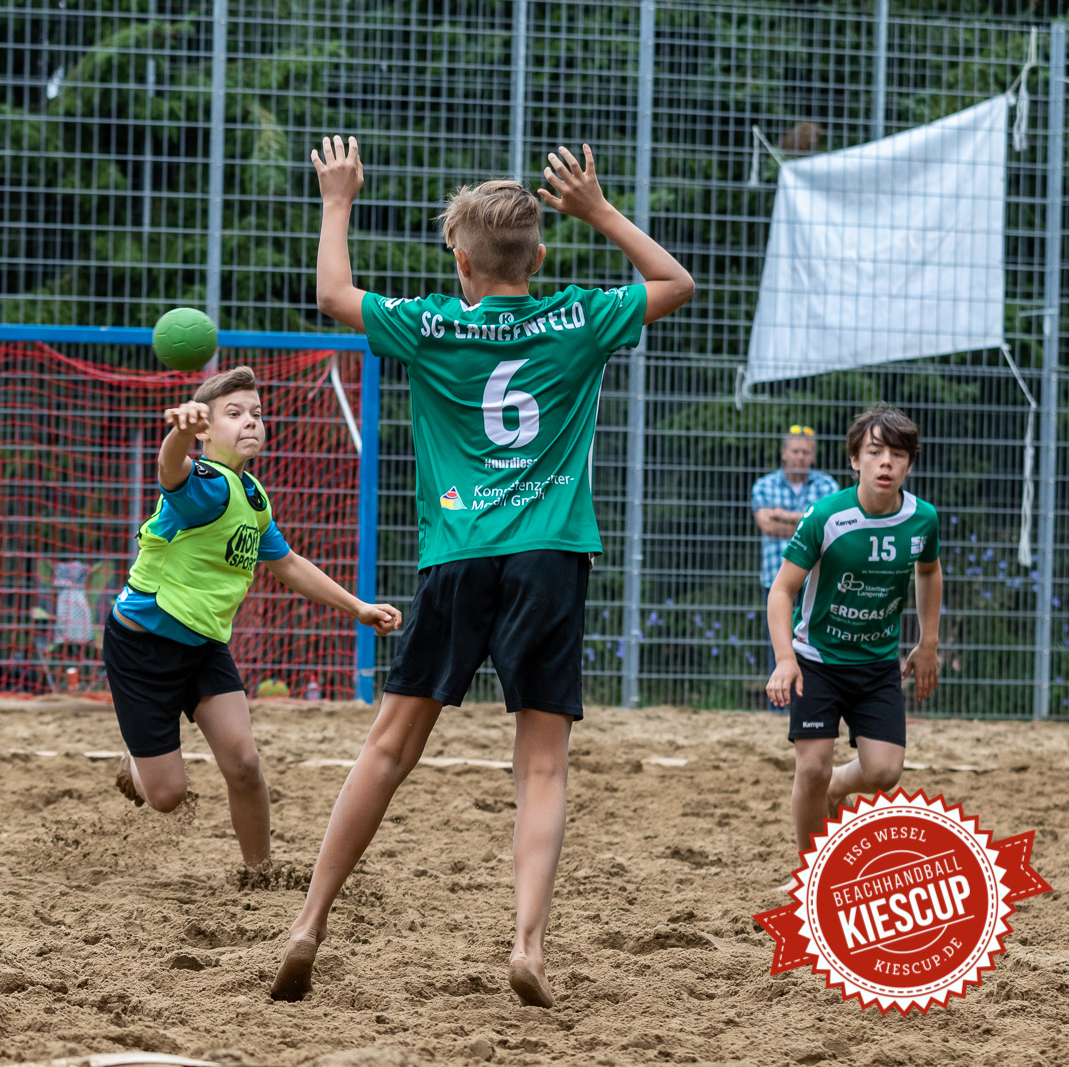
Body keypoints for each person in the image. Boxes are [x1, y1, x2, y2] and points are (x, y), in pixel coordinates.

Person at [270, 138, 694, 1007]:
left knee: (388, 747)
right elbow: (678, 284)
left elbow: (331, 294)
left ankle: (308, 921)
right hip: (548, 556)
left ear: (458, 258)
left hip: (458, 554)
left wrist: (339, 199)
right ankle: (528, 944)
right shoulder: (577, 316)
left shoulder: (431, 322)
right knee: (541, 765)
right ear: (539, 257)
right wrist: (601, 211)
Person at [104, 365, 401, 869]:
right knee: (168, 796)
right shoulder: (204, 483)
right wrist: (179, 433)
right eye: (234, 413)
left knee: (244, 763)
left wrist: (357, 606)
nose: (251, 423)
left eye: (257, 414)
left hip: (202, 647)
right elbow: (169, 470)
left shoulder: (253, 494)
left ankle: (258, 873)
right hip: (143, 645)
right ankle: (135, 761)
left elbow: (285, 562)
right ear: (205, 429)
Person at [766, 405, 942, 856]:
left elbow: (928, 573)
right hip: (817, 662)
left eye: (898, 454)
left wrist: (927, 643)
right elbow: (782, 591)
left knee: (883, 773)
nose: (886, 462)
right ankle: (814, 875)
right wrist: (786, 659)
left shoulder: (923, 519)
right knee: (811, 769)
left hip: (878, 663)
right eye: (875, 451)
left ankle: (836, 787)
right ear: (854, 459)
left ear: (909, 463)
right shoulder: (826, 516)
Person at [750, 427, 838, 710]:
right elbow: (765, 524)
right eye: (795, 451)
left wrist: (782, 516)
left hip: (817, 581)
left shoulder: (828, 485)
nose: (800, 457)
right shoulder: (764, 485)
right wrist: (808, 522)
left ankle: (812, 705)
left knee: (816, 645)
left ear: (813, 457)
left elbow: (829, 528)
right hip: (776, 579)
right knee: (779, 645)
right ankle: (777, 709)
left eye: (806, 452)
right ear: (784, 454)